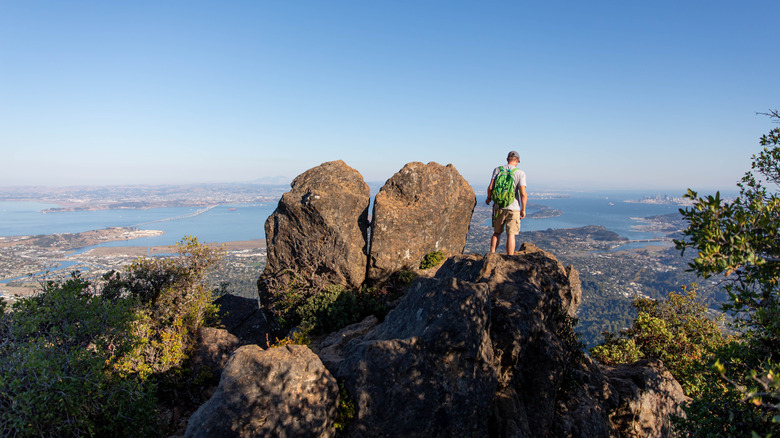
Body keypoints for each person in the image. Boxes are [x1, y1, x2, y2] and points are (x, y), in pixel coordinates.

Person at [486, 150, 527, 255]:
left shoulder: (497, 170)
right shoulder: (520, 173)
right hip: (513, 208)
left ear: (507, 159)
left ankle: (492, 254)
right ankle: (510, 257)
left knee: (496, 232)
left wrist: (489, 198)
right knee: (511, 234)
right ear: (517, 161)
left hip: (498, 206)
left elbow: (490, 187)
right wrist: (523, 209)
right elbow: (523, 193)